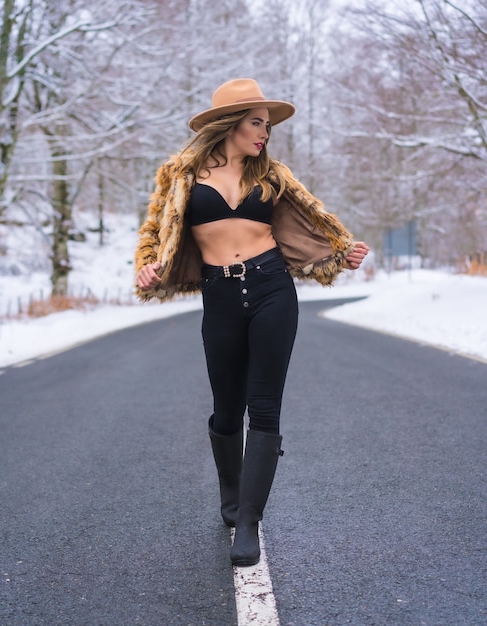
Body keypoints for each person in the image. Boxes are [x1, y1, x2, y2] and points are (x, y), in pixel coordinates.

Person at [135, 78, 369, 567]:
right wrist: (148, 265)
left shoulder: (273, 175)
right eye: (256, 123)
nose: (264, 133)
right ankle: (231, 493)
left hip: (272, 288)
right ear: (229, 124)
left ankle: (249, 522)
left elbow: (313, 223)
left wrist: (342, 253)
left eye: (267, 125)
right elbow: (155, 232)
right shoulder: (181, 175)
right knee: (226, 408)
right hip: (220, 294)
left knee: (264, 407)